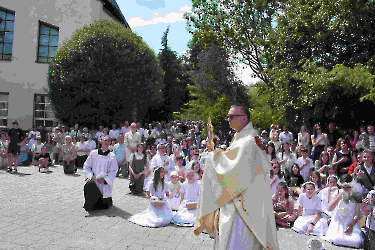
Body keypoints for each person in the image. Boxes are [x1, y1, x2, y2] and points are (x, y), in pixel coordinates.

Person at [194, 104, 279, 250]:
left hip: (243, 205)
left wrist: (213, 156)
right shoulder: (241, 138)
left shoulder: (249, 142)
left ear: (244, 118)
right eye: (228, 116)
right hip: (239, 199)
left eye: (232, 116)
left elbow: (232, 171)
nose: (229, 119)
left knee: (238, 242)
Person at [323, 176, 363, 249]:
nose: (346, 188)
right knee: (336, 239)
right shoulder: (337, 192)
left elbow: (357, 214)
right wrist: (340, 195)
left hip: (351, 222)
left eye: (348, 186)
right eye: (344, 186)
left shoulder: (356, 195)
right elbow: (330, 208)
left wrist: (351, 226)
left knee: (356, 242)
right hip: (338, 221)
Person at [83, 135, 118, 213]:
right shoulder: (94, 153)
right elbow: (87, 166)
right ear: (101, 141)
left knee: (105, 205)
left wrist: (105, 180)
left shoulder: (112, 156)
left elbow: (114, 171)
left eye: (108, 141)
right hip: (95, 180)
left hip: (104, 184)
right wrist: (89, 176)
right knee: (90, 186)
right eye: (104, 140)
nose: (106, 142)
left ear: (110, 143)